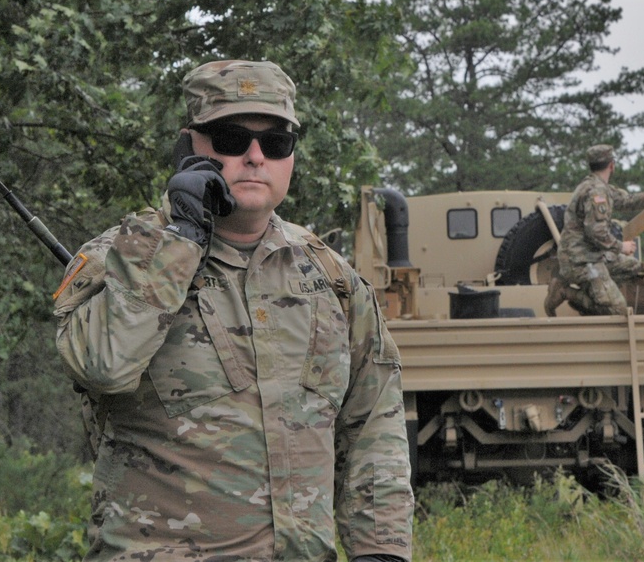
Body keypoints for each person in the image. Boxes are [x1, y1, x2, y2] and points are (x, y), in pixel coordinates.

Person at [53, 60, 413, 562]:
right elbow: (101, 365)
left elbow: (373, 422)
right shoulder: (122, 259)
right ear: (188, 147)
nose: (254, 156)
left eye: (276, 142)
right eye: (229, 137)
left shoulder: (331, 278)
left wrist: (383, 550)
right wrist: (180, 240)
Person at [545, 144, 644, 317]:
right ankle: (565, 292)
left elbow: (630, 201)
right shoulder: (597, 192)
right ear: (611, 165)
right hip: (581, 262)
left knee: (632, 267)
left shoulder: (598, 187)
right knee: (618, 310)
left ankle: (597, 293)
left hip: (589, 256)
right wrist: (621, 247)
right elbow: (596, 232)